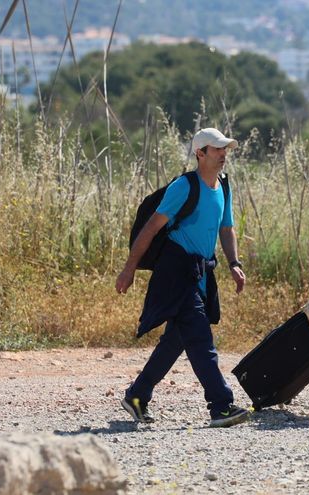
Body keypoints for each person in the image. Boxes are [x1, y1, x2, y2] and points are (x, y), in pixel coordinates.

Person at [115, 127, 249, 428]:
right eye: (217, 149)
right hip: (176, 271)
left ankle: (137, 396)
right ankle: (221, 405)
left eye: (225, 148)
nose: (223, 154)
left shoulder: (223, 186)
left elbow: (226, 229)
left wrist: (234, 263)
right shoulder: (184, 187)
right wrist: (128, 269)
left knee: (176, 340)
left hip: (202, 272)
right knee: (200, 336)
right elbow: (150, 229)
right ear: (200, 153)